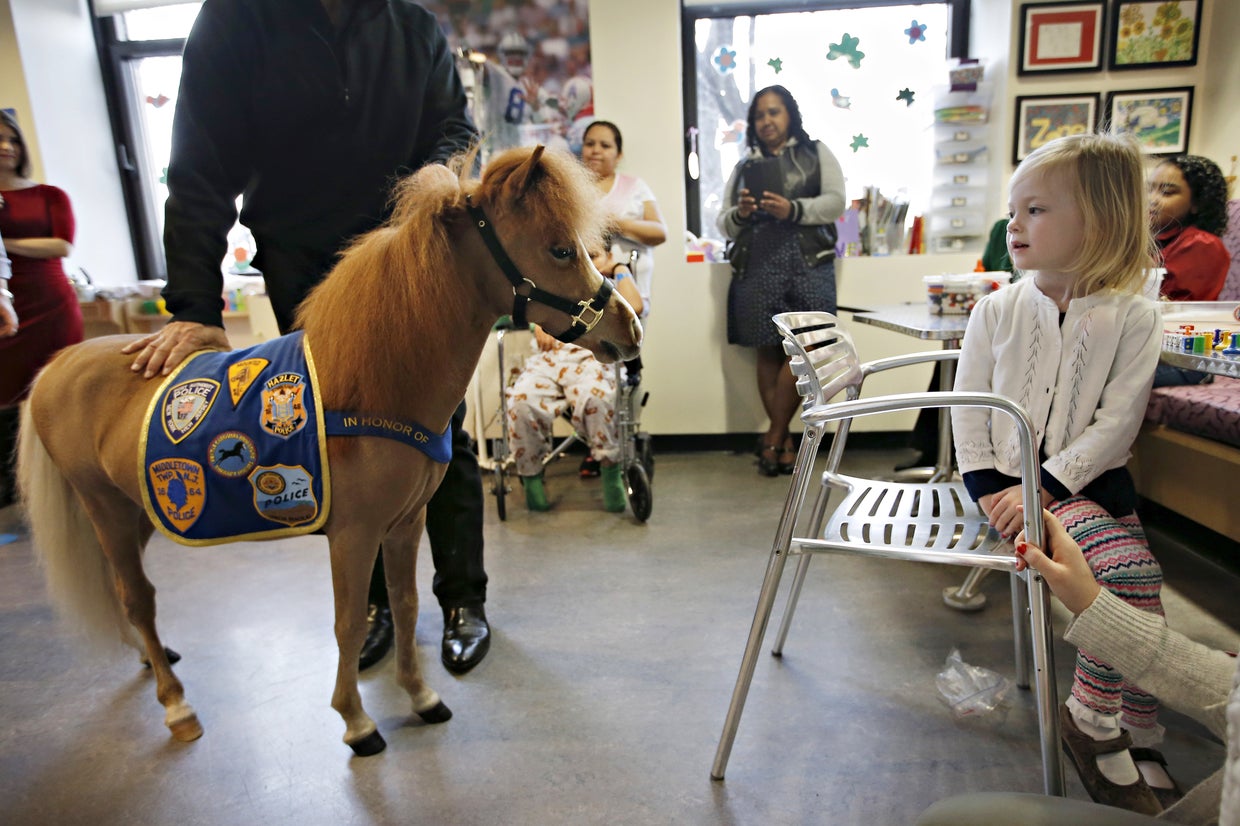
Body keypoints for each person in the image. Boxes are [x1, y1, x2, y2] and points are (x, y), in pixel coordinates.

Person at [122, 0, 490, 675]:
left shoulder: (411, 24)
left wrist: (444, 163)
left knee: (442, 431)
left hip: (412, 260)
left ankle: (464, 599)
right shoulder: (238, 20)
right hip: (307, 265)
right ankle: (373, 605)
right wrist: (195, 307)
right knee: (344, 444)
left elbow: (454, 126)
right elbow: (198, 168)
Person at [952, 133, 1170, 815]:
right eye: (1012, 210)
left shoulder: (1135, 317)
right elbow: (968, 409)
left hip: (1089, 485)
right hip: (1008, 491)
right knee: (1130, 574)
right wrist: (994, 489)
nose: (1012, 226)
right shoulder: (997, 308)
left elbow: (1117, 422)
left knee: (1143, 586)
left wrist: (1048, 481)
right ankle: (1096, 717)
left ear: (1098, 222)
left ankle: (1136, 722)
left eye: (1035, 210)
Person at [917, 510, 1239, 825]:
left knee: (1132, 568)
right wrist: (1090, 602)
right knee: (1127, 567)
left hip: (1078, 484)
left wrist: (1056, 482)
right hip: (1029, 492)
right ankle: (1100, 723)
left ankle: (1114, 726)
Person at [717, 85, 846, 477]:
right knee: (767, 352)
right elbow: (722, 222)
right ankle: (783, 440)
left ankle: (773, 435)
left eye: (774, 112)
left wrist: (793, 208)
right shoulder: (745, 166)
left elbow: (837, 201)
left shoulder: (816, 152)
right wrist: (739, 213)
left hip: (808, 263)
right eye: (759, 115)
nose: (766, 121)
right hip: (757, 265)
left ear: (789, 114)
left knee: (804, 352)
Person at [506, 248, 642, 513]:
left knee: (597, 397)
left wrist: (617, 268)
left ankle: (611, 474)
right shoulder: (559, 281)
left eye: (595, 256)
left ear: (610, 255)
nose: (587, 262)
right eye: (583, 255)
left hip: (591, 360)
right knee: (522, 402)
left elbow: (635, 307)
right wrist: (538, 324)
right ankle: (531, 477)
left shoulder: (611, 283)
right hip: (549, 360)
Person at [0, 110, 82, 508]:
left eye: (12, 140)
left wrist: (3, 242)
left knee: (55, 385)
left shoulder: (50, 196)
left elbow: (61, 245)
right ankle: (15, 488)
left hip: (50, 302)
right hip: (5, 301)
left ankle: (71, 475)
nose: (6, 147)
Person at [576, 119, 665, 477]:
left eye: (605, 145)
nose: (596, 150)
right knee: (582, 367)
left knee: (620, 367)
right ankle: (596, 442)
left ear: (619, 153)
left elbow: (659, 232)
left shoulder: (633, 187)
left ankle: (616, 441)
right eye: (589, 143)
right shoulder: (572, 189)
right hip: (581, 295)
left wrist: (614, 222)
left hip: (628, 292)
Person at [1149, 155, 1232, 387]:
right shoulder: (1155, 240)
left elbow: (1168, 311)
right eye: (1150, 190)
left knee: (1096, 378)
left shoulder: (1202, 244)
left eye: (1166, 193)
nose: (1151, 200)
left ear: (1197, 203)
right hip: (1149, 350)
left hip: (1185, 359)